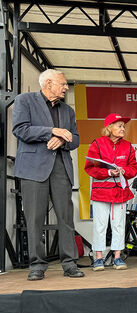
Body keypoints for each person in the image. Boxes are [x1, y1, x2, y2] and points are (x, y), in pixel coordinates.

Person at [12, 69, 84, 280]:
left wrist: (63, 140)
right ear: (48, 83)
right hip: (33, 168)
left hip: (61, 167)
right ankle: (37, 265)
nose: (66, 87)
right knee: (34, 219)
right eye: (62, 84)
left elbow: (76, 139)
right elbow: (20, 129)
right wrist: (52, 131)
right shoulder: (24, 100)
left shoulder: (67, 111)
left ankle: (70, 264)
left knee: (66, 218)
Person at [84, 113, 137, 271]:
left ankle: (117, 257)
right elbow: (89, 168)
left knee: (119, 225)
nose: (123, 129)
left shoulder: (128, 146)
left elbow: (133, 168)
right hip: (101, 192)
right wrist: (108, 173)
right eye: (119, 126)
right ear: (109, 128)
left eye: (123, 126)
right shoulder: (97, 144)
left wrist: (123, 170)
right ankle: (98, 258)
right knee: (100, 225)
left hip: (120, 192)